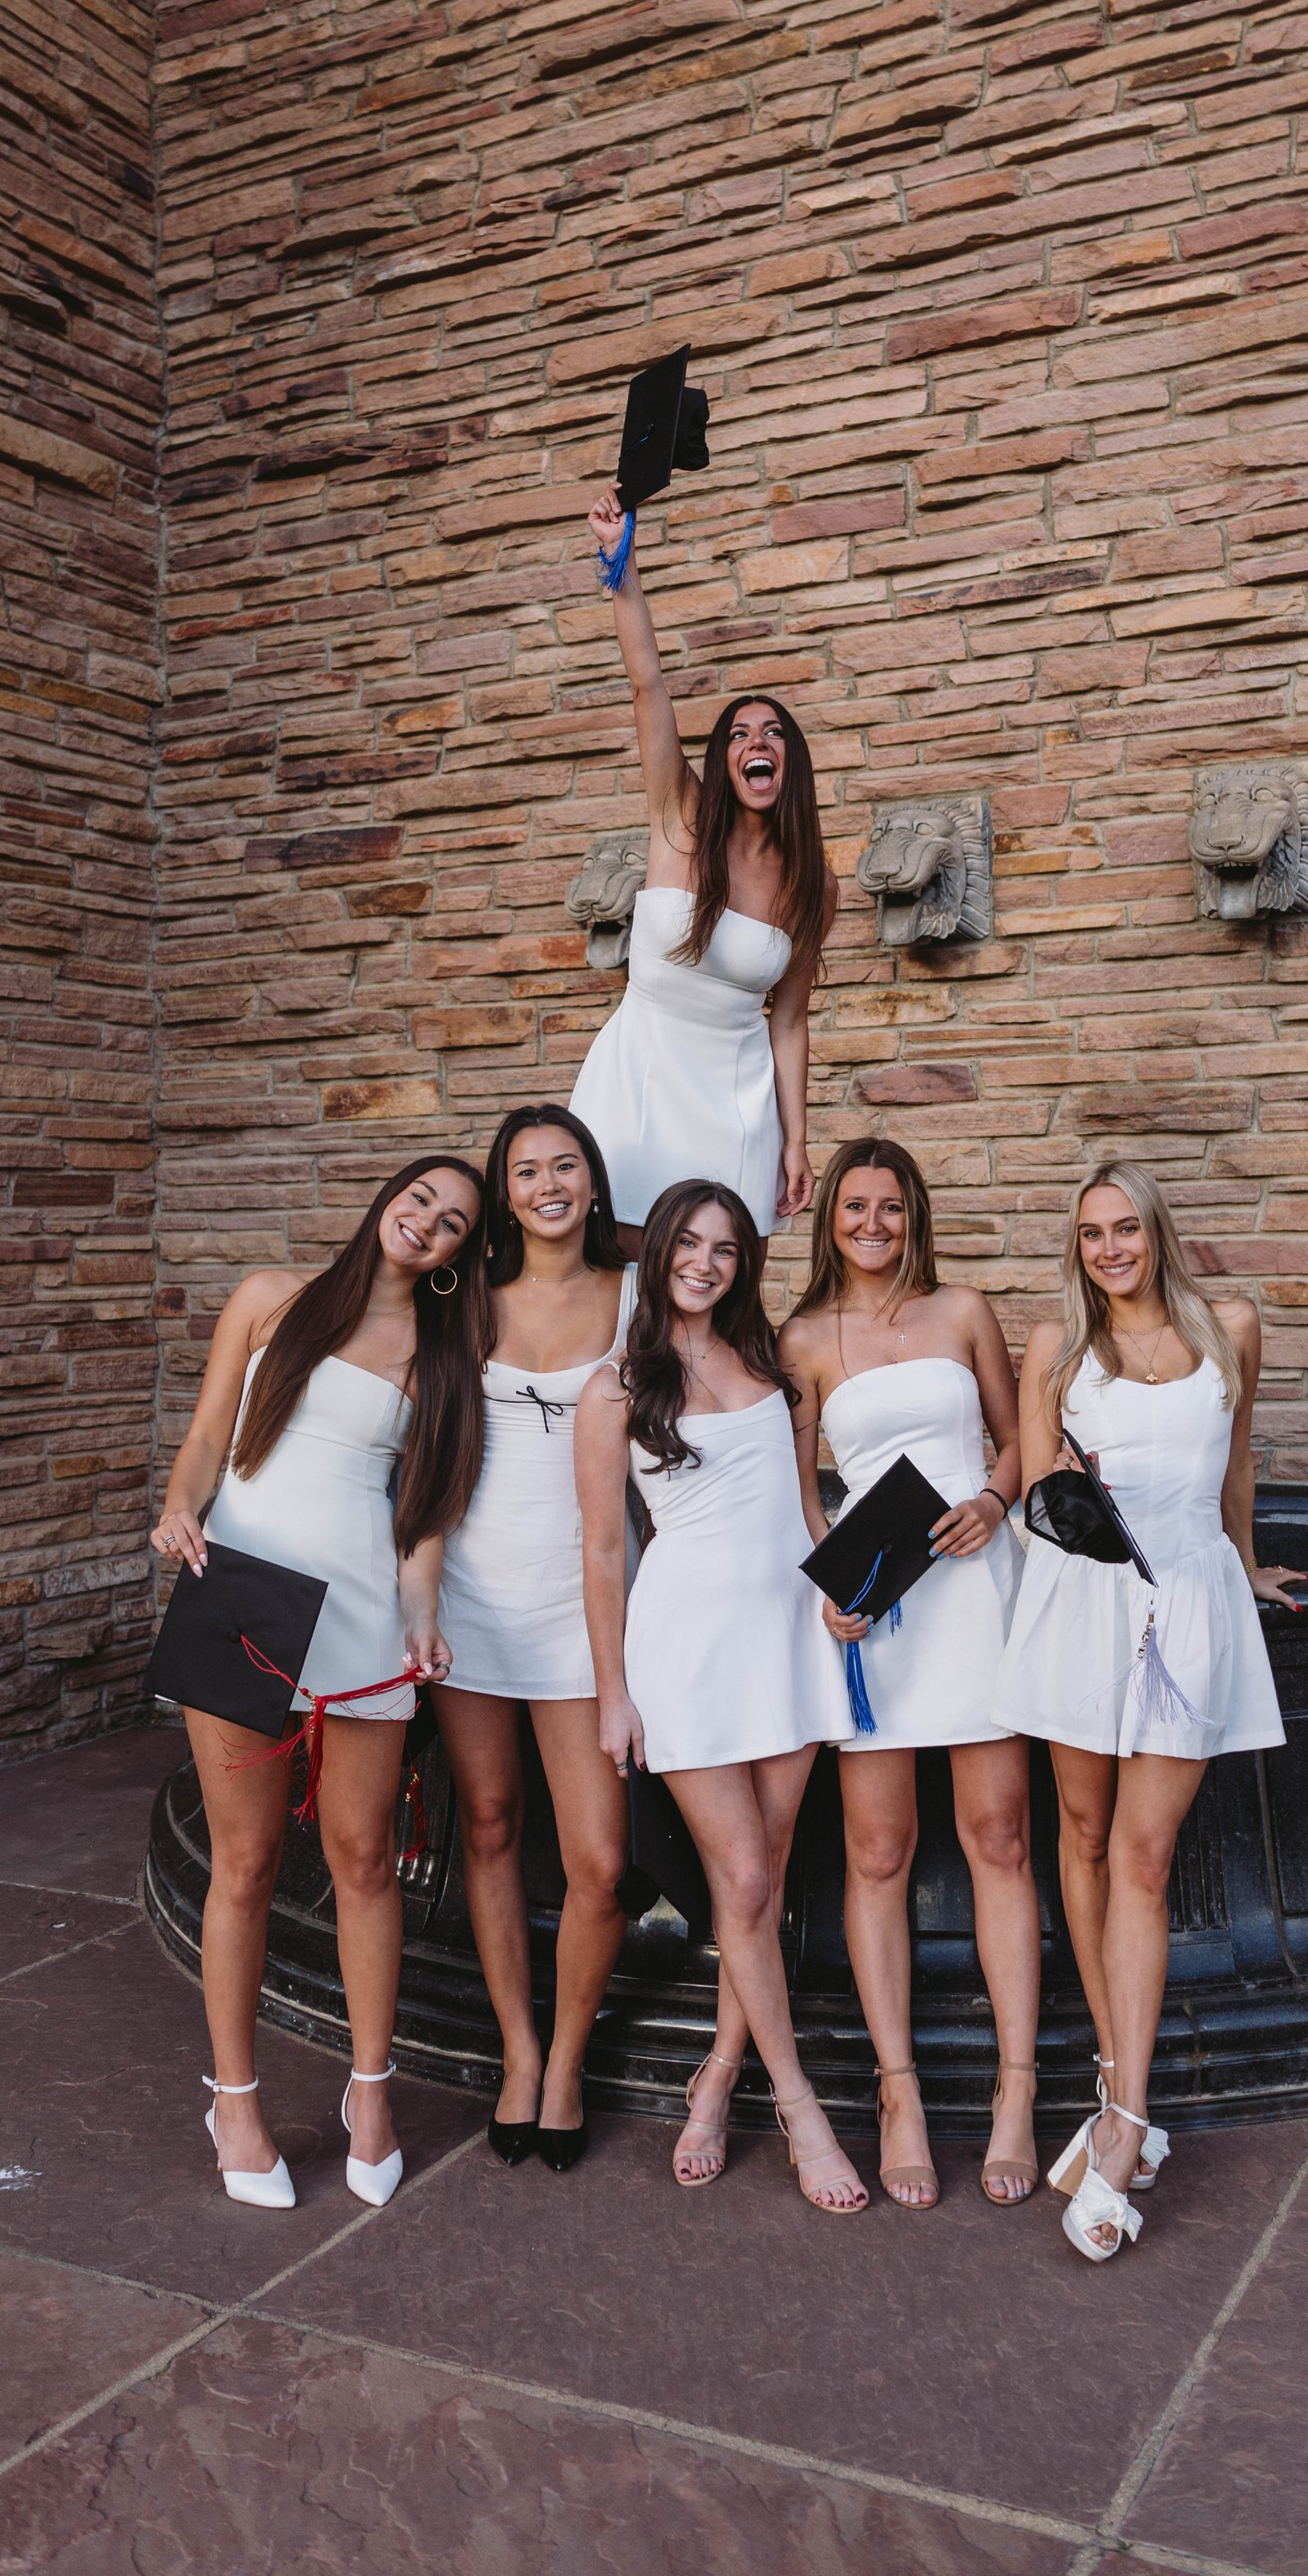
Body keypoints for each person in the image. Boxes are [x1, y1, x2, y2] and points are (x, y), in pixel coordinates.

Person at [151, 1157, 488, 2212]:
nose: (428, 1222)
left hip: (360, 1614)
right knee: (244, 1861)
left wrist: (423, 1612)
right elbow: (210, 1434)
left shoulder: (442, 1355)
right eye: (421, 1198)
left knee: (363, 1860)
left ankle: (371, 2093)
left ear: (456, 1259)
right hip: (241, 1597)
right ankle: (236, 2101)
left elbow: (429, 1510)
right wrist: (178, 1506)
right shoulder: (268, 1298)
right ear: (390, 1195)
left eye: (453, 1224)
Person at [993, 1161, 1299, 2262]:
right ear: (1076, 1248)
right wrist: (1061, 1478)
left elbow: (1239, 1464)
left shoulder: (1231, 1328)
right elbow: (1040, 1503)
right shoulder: (1058, 1353)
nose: (1111, 1247)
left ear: (1158, 1231)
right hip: (1087, 1606)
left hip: (1194, 1606)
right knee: (1081, 1834)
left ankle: (1124, 2125)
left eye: (1126, 1227)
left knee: (1143, 1851)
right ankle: (1119, 2081)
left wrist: (1250, 1568)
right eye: (1091, 1234)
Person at [575, 1177, 867, 2212]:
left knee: (770, 1870)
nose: (705, 1261)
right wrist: (614, 1692)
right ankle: (799, 2105)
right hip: (687, 1647)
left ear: (744, 1263)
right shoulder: (615, 1389)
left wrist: (849, 1596)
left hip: (789, 1637)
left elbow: (803, 1511)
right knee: (741, 1879)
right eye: (687, 1243)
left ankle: (715, 2074)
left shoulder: (775, 1367)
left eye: (725, 1248)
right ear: (657, 1254)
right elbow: (606, 1550)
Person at [777, 1137, 1040, 2211]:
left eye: (891, 1205)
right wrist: (825, 1590)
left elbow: (1026, 1437)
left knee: (999, 1836)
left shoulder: (964, 1308)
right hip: (876, 1600)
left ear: (914, 1212)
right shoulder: (799, 1336)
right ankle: (899, 2092)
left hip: (973, 1585)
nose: (874, 1223)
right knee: (877, 1849)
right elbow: (797, 1489)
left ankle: (1017, 2091)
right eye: (854, 1206)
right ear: (829, 1217)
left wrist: (994, 1497)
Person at [411, 1104, 634, 2175]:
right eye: (527, 1169)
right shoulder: (463, 1299)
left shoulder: (637, 1292)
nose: (549, 1182)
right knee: (489, 1822)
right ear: (505, 1193)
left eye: (566, 1164)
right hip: (475, 1598)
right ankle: (519, 2050)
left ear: (593, 1179)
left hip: (591, 1609)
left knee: (598, 1861)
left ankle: (571, 2060)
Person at [569, 485, 835, 1243]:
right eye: (739, 733)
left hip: (736, 1105)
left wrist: (795, 1138)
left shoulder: (815, 885)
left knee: (715, 1288)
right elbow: (647, 682)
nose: (757, 741)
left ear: (791, 762)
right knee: (614, 1269)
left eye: (775, 732)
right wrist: (622, 567)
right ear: (722, 761)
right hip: (637, 1083)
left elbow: (787, 1021)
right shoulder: (677, 815)